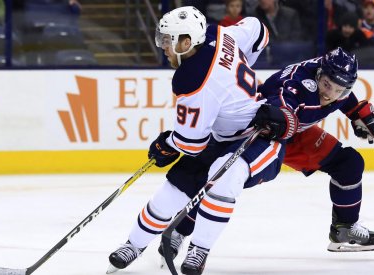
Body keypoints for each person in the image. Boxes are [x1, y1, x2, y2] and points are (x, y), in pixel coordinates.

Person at [107, 6, 296, 275]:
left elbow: (191, 143)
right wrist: (241, 64)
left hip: (260, 139)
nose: (163, 46)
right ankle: (134, 245)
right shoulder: (218, 34)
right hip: (222, 138)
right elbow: (259, 30)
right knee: (173, 190)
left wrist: (166, 146)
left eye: (167, 40)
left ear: (186, 42)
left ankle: (199, 250)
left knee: (224, 177)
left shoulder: (192, 78)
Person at [157, 47, 374, 269]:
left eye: (339, 91)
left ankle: (344, 227)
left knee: (349, 163)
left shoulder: (333, 79)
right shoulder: (298, 84)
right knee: (222, 181)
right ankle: (180, 229)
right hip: (262, 131)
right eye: (326, 86)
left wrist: (357, 112)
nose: (329, 95)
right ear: (319, 75)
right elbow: (285, 105)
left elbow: (343, 93)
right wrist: (280, 118)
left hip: (293, 132)